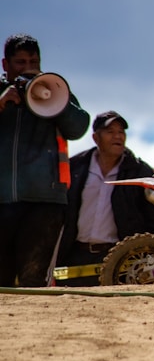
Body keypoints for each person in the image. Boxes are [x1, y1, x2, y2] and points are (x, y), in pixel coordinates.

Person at [0, 33, 90, 287]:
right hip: (2, 202)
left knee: (34, 280)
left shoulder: (54, 89)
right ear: (5, 65)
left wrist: (54, 100)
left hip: (45, 202)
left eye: (33, 61)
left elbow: (79, 127)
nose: (28, 68)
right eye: (20, 62)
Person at [57, 111, 154, 286]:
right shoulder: (76, 167)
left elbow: (153, 217)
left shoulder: (139, 171)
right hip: (75, 254)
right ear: (95, 138)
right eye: (110, 131)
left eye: (121, 132)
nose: (118, 136)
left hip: (120, 258)